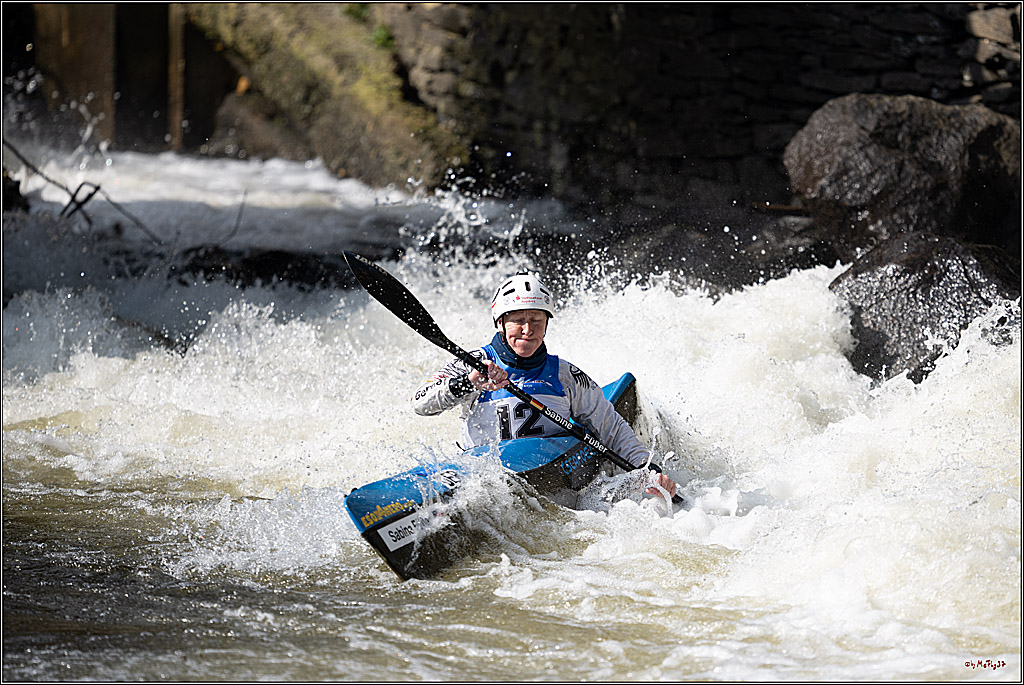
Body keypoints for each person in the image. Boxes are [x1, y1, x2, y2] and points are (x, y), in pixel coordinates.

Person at [411, 271, 677, 500]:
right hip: (484, 480)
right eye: (517, 320)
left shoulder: (565, 374)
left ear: (546, 325)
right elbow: (420, 403)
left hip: (549, 476)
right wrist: (465, 384)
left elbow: (611, 428)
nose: (527, 329)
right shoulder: (472, 364)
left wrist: (648, 470)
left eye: (536, 320)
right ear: (500, 322)